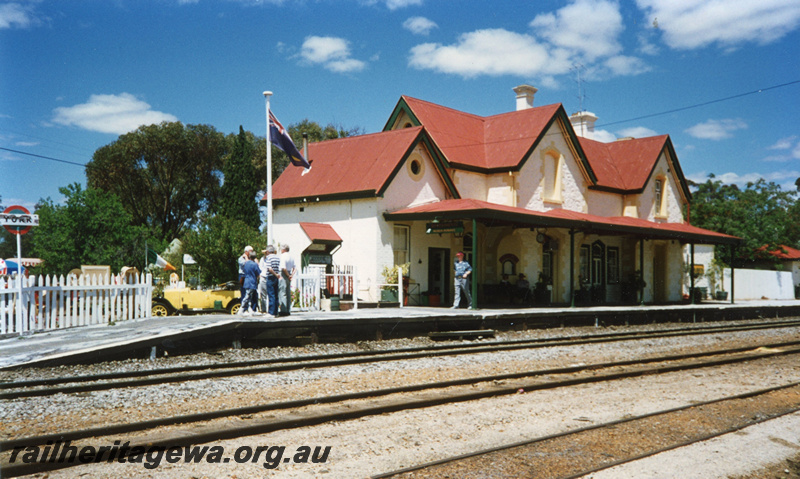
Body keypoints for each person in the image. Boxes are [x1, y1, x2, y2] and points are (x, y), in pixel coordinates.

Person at [239, 251, 261, 316]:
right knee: (248, 296)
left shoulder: (246, 263)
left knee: (248, 295)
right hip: (252, 282)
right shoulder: (254, 264)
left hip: (246, 281)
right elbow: (258, 273)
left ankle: (249, 309)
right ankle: (242, 308)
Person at [278, 245, 296, 316]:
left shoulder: (283, 256)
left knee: (283, 292)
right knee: (288, 293)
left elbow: (283, 268)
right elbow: (295, 267)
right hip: (289, 273)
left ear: (283, 250)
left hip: (284, 274)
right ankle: (288, 309)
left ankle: (284, 310)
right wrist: (291, 275)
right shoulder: (291, 256)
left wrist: (288, 275)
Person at [265, 245, 281, 317]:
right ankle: (275, 311)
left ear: (268, 251)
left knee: (271, 295)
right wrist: (277, 274)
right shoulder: (277, 257)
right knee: (275, 294)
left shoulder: (268, 258)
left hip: (271, 276)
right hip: (276, 277)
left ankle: (271, 312)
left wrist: (275, 274)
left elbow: (270, 269)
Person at [257, 248, 270, 314]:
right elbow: (260, 268)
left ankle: (270, 309)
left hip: (269, 277)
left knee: (270, 294)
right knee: (263, 294)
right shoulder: (262, 259)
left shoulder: (270, 259)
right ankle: (264, 309)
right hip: (263, 277)